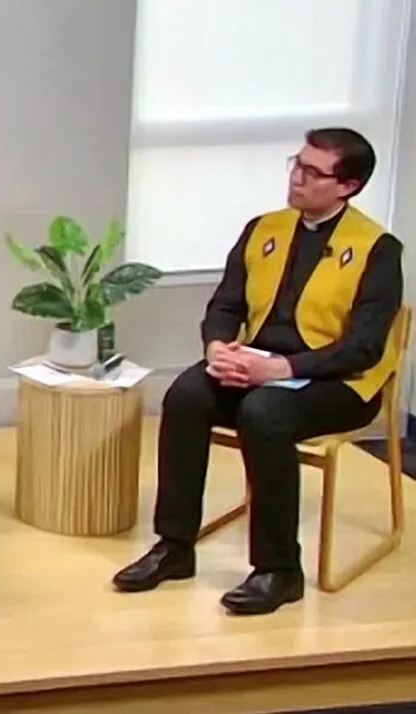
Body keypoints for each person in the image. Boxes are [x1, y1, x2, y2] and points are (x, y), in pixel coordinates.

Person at [112, 128, 404, 615]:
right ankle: (174, 546)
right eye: (297, 163)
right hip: (258, 365)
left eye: (313, 172)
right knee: (186, 395)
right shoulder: (263, 229)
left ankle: (279, 570)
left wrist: (281, 368)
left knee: (265, 412)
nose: (297, 178)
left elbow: (364, 348)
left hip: (338, 382)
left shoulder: (378, 249)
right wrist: (218, 348)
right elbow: (225, 303)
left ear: (347, 186)